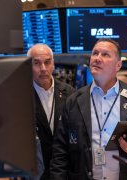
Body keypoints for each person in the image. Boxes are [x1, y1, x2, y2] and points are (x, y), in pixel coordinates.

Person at [50, 38, 127, 180]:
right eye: (95, 53)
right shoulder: (74, 101)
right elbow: (60, 152)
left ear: (118, 65)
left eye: (105, 55)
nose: (97, 58)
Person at [27, 43, 75, 179]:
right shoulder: (20, 96)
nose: (43, 68)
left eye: (47, 63)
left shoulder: (70, 93)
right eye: (36, 63)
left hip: (64, 172)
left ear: (53, 64)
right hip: (35, 173)